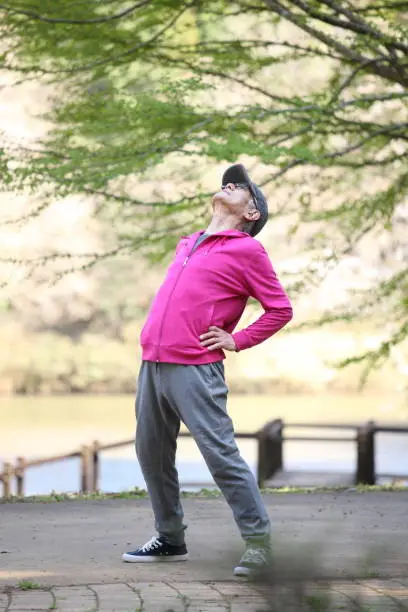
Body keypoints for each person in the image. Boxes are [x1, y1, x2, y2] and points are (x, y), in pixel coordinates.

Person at [122, 163, 293, 576]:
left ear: (251, 213)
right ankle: (170, 538)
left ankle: (258, 544)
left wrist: (238, 339)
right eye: (228, 182)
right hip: (153, 363)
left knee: (220, 455)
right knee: (150, 452)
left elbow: (280, 309)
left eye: (242, 187)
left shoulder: (247, 249)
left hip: (195, 368)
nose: (230, 184)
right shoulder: (190, 243)